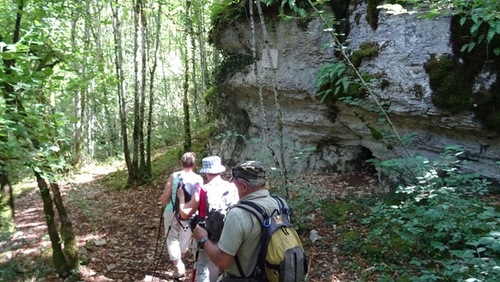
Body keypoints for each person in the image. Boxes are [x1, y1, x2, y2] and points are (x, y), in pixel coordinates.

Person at [191, 160, 279, 280]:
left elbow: (222, 262)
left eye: (234, 183)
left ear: (243, 186)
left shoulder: (238, 215)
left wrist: (203, 239)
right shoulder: (278, 204)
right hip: (270, 275)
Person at [177, 156, 239, 282]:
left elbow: (184, 214)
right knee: (216, 265)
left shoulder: (202, 190)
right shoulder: (232, 187)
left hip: (205, 234)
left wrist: (181, 198)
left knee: (201, 267)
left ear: (206, 172)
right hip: (227, 234)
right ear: (220, 170)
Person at [159, 152, 203, 278]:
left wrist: (163, 198)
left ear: (181, 163)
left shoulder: (174, 176)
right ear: (194, 165)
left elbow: (165, 198)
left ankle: (179, 265)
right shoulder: (199, 179)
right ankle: (181, 257)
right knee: (186, 236)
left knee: (171, 237)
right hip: (190, 214)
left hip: (171, 212)